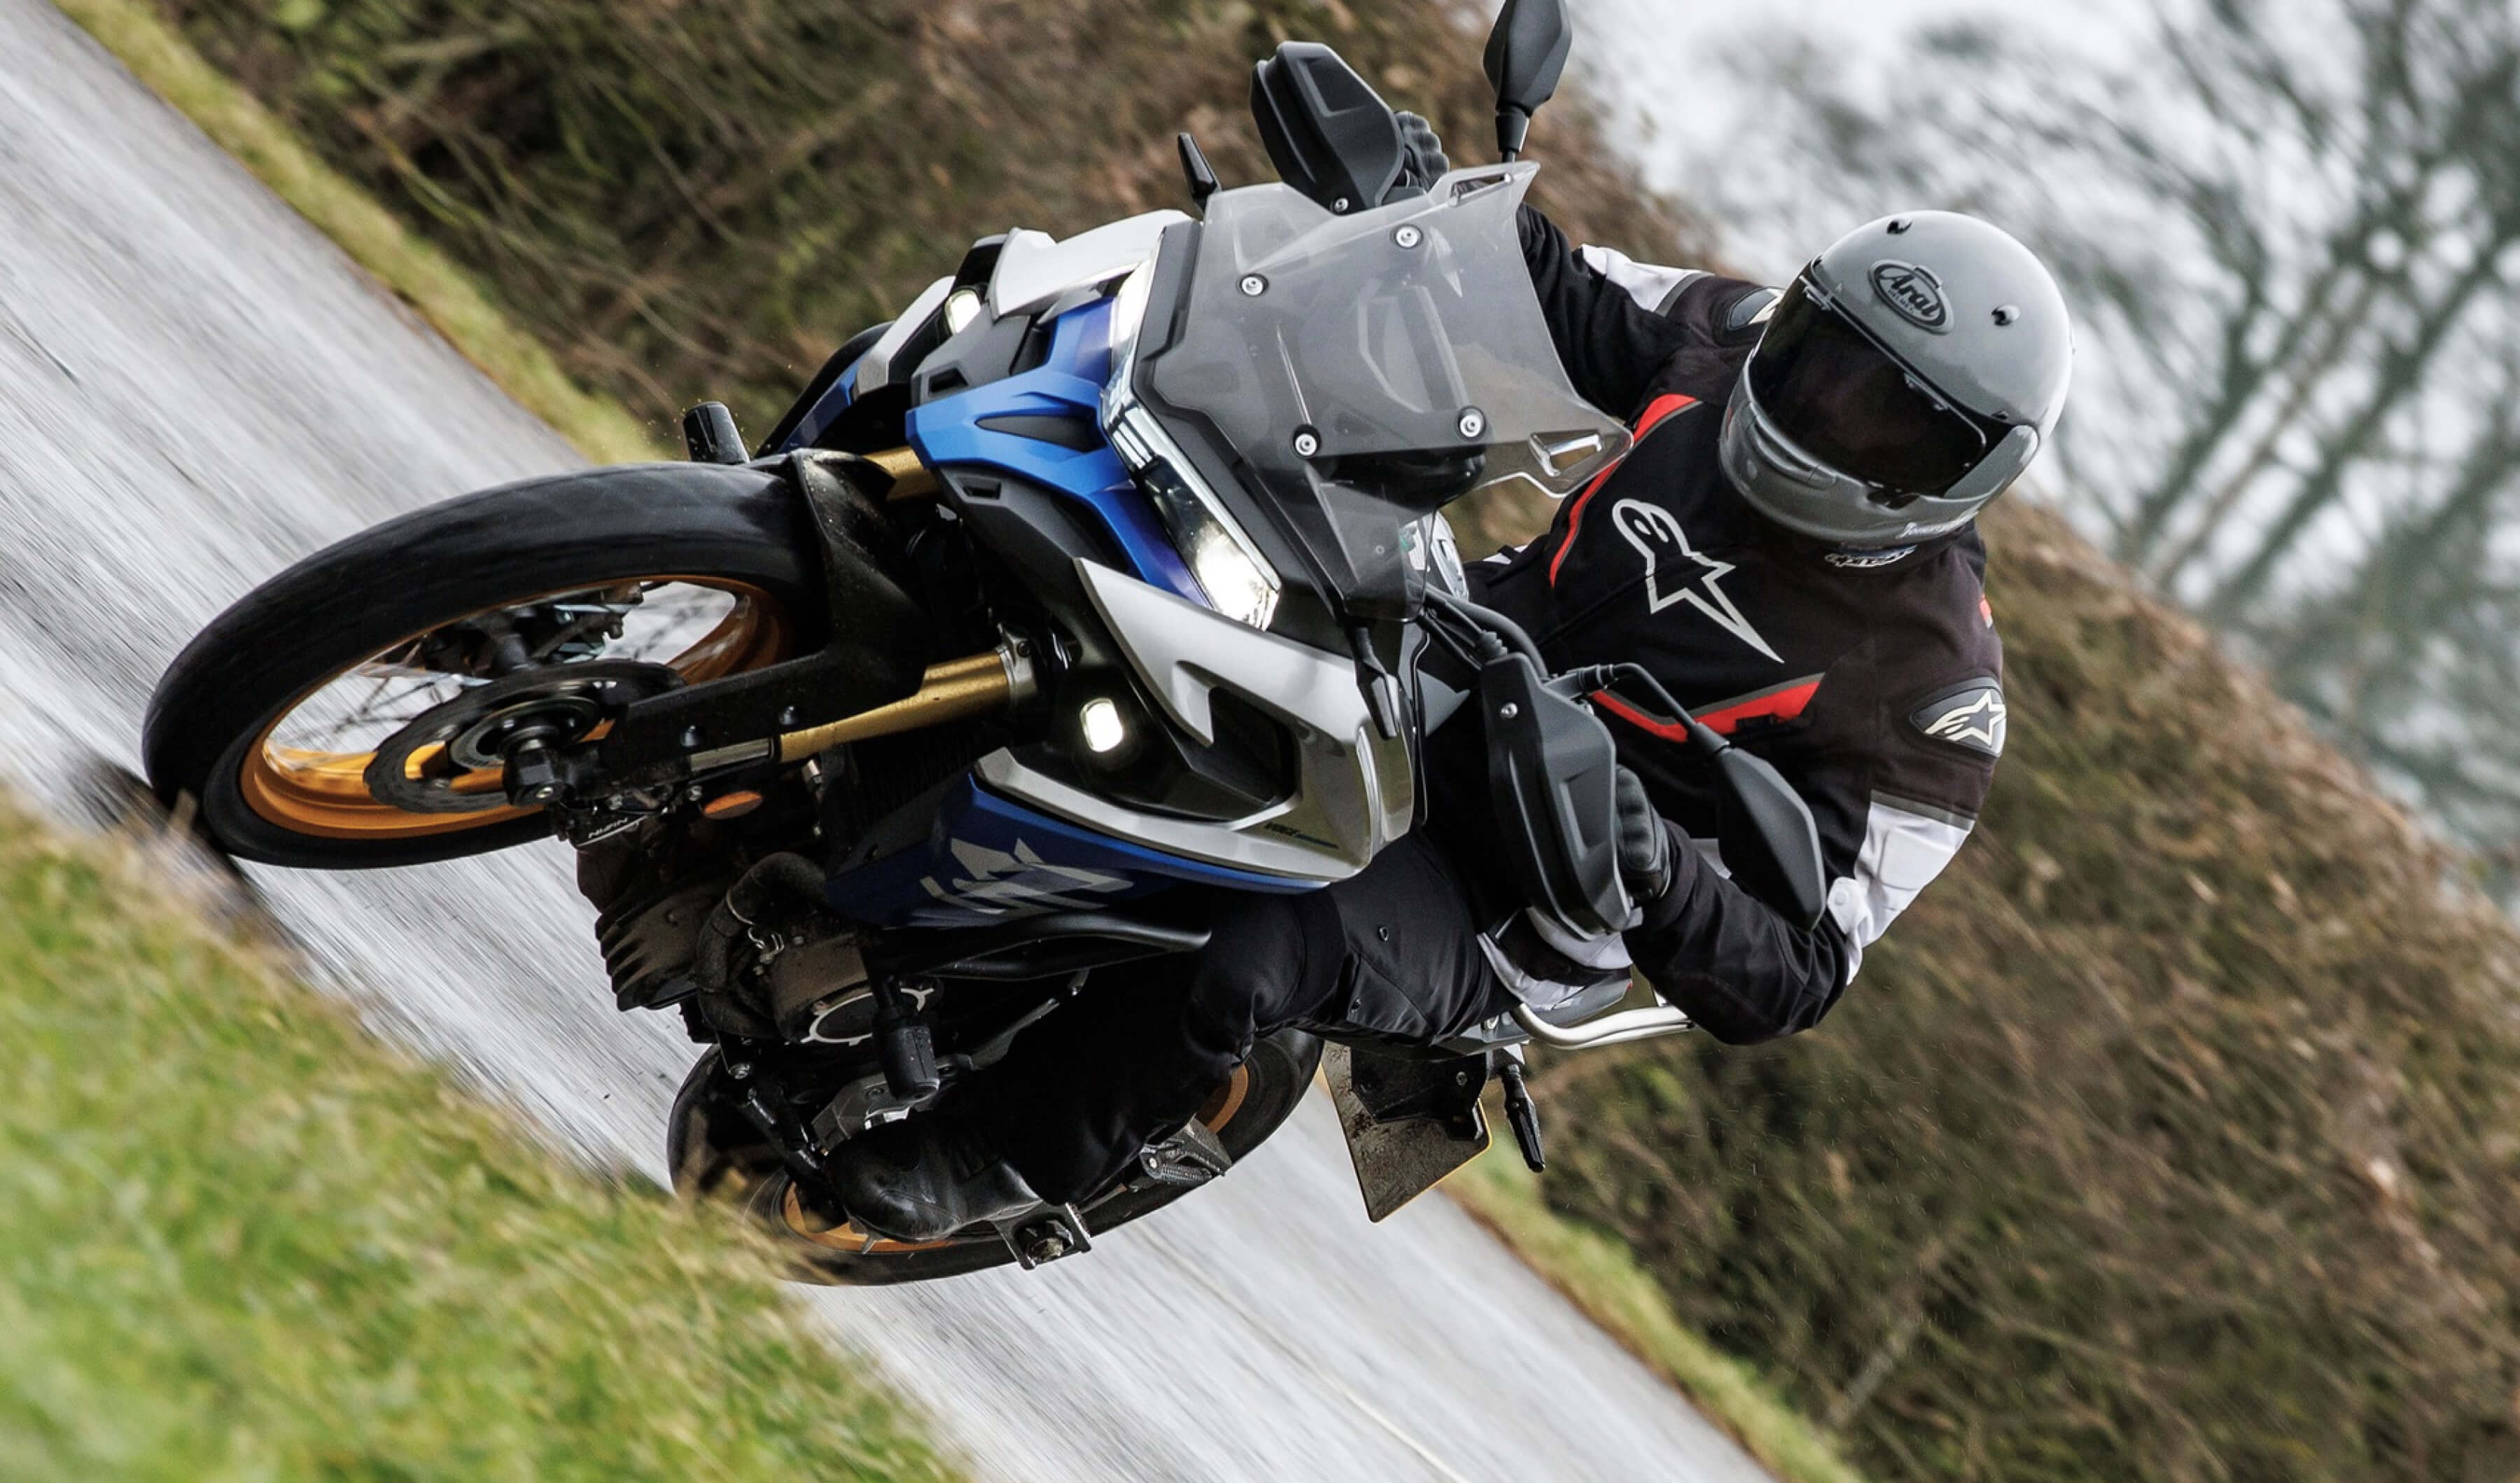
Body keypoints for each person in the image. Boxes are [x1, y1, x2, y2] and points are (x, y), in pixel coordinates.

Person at [823, 117, 2073, 1243]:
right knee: (1101, 582)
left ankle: (997, 1152)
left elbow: (1801, 971)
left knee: (1247, 952)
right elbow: (1555, 294)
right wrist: (1420, 200)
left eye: (1888, 421)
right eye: (1823, 360)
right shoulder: (1724, 337)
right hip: (1420, 648)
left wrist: (1648, 858)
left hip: (1524, 883)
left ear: (1967, 470)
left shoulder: (1933, 695)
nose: (1828, 412)